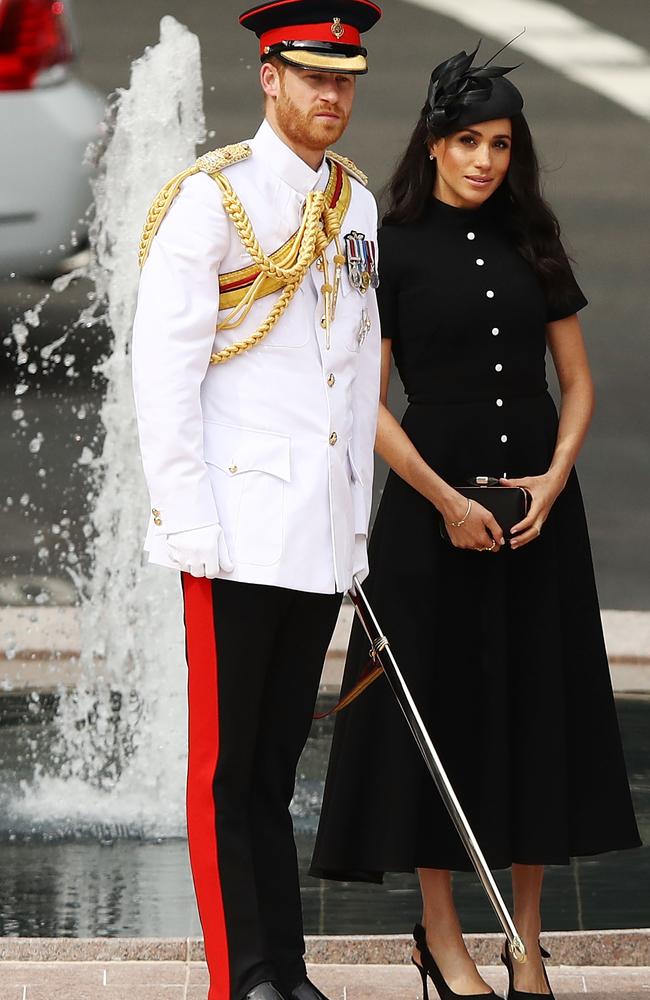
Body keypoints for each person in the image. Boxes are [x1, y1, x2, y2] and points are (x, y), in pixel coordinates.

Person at [310, 44, 641, 1000]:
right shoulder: (390, 244)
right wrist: (446, 500)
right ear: (435, 143)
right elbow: (365, 407)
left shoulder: (534, 240)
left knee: (539, 716)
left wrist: (552, 480)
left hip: (540, 515)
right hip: (430, 517)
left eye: (499, 143)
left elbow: (576, 384)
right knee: (438, 725)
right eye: (467, 141)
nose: (485, 160)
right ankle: (443, 936)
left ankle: (527, 946)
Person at [131, 3, 382, 999]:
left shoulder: (353, 205)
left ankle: (289, 970)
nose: (330, 96)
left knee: (274, 772)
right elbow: (166, 374)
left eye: (344, 79)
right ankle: (242, 979)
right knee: (226, 775)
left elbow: (354, 375)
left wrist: (354, 538)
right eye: (311, 76)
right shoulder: (211, 201)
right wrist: (187, 523)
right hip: (233, 533)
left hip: (313, 536)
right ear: (269, 78)